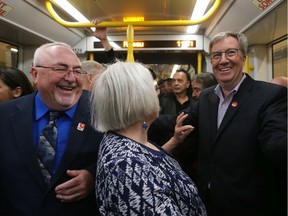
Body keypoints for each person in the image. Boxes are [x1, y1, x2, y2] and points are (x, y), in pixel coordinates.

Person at [161, 31, 287, 216]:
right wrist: (144, 119)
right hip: (207, 201)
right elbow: (179, 121)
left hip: (249, 205)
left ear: (243, 57)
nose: (223, 60)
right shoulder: (206, 97)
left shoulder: (270, 95)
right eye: (216, 55)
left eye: (230, 53)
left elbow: (276, 140)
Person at [90, 61, 207, 215]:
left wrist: (175, 140)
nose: (157, 94)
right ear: (137, 98)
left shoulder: (127, 137)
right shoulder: (126, 166)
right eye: (153, 89)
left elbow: (148, 162)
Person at [0, 42, 103, 216]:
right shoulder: (5, 116)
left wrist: (94, 178)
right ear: (35, 75)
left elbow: (126, 158)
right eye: (61, 69)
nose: (71, 78)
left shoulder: (102, 110)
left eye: (77, 71)